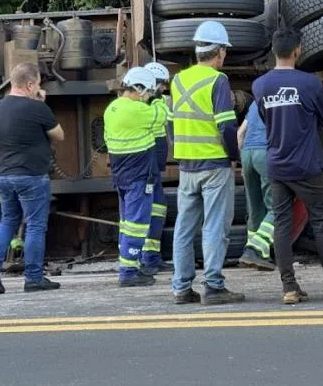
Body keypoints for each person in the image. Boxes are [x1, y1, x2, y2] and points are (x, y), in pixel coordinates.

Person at [252, 27, 323, 305]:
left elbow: (266, 119)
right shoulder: (310, 83)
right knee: (322, 222)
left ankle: (289, 288)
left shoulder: (260, 85)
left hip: (276, 164)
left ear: (274, 52)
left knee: (282, 224)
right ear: (298, 50)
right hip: (307, 164)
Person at [169, 20, 245, 305]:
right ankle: (213, 286)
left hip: (187, 166)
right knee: (215, 226)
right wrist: (233, 157)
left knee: (184, 228)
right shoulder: (218, 81)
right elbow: (226, 127)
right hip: (214, 165)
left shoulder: (177, 80)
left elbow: (172, 122)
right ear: (220, 52)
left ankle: (181, 288)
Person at [0, 63, 65, 294]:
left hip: (4, 176)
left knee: (8, 220)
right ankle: (34, 278)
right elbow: (59, 135)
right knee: (36, 226)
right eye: (37, 84)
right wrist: (40, 104)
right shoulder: (36, 108)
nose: (38, 88)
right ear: (30, 84)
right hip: (31, 177)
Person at [104, 67, 162, 288]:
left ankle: (130, 266)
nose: (147, 97)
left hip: (122, 176)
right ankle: (129, 271)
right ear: (138, 89)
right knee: (137, 224)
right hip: (139, 176)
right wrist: (158, 100)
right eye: (147, 93)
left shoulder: (112, 109)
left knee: (127, 223)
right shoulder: (138, 110)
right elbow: (162, 117)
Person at [236, 99, 277, 271]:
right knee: (278, 206)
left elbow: (240, 133)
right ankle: (254, 249)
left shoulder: (255, 103)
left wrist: (242, 163)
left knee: (255, 207)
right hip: (265, 151)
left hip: (247, 154)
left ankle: (261, 255)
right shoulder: (279, 101)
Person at [141, 60, 174, 274]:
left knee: (157, 209)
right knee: (150, 212)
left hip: (153, 168)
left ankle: (152, 256)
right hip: (148, 167)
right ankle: (148, 258)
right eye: (161, 85)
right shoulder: (151, 106)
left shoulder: (156, 103)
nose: (163, 89)